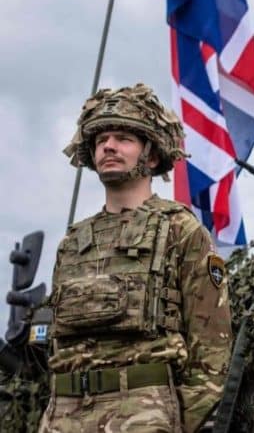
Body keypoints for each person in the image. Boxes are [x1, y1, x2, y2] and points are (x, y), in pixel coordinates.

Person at [40, 84, 232, 433]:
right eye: (101, 140)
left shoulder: (181, 230)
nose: (109, 146)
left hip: (144, 415)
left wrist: (182, 421)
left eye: (124, 139)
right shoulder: (72, 242)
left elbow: (211, 347)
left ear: (152, 156)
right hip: (64, 415)